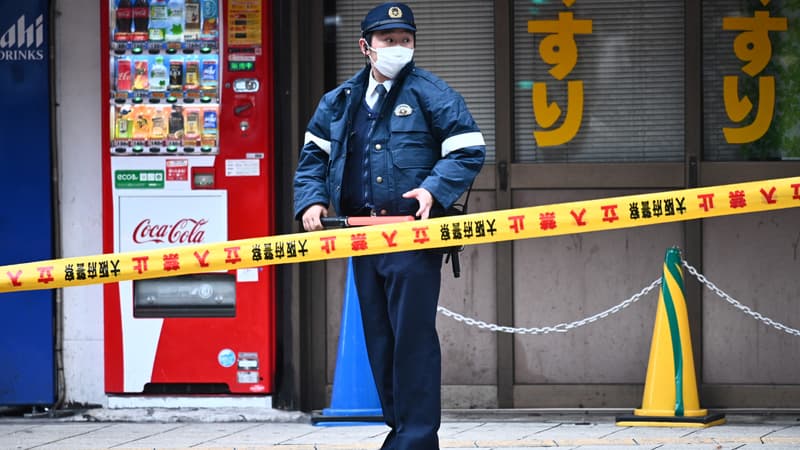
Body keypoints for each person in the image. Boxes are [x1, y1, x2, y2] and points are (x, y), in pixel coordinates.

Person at [293, 2, 485, 449]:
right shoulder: (338, 102)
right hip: (361, 237)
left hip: (413, 238)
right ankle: (401, 432)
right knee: (380, 341)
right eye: (388, 40)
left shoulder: (431, 93)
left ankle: (416, 439)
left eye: (405, 40)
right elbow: (312, 161)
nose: (398, 48)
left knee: (412, 341)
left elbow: (468, 149)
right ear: (366, 46)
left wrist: (434, 190)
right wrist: (312, 200)